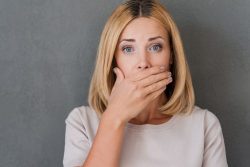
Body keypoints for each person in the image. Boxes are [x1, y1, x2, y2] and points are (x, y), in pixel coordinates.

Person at [63, 0, 228, 166]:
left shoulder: (204, 125)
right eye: (128, 49)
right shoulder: (82, 122)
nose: (143, 63)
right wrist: (114, 117)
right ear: (113, 60)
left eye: (155, 47)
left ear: (171, 55)